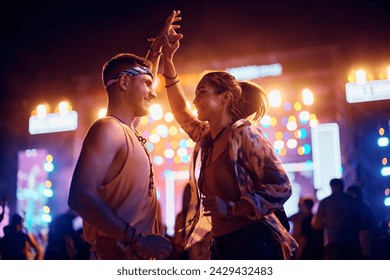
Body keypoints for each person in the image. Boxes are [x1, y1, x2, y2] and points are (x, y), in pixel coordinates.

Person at [158, 17, 297, 259]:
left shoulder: (245, 134)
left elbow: (281, 187)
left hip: (253, 243)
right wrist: (168, 61)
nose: (194, 101)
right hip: (221, 246)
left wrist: (232, 209)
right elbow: (181, 111)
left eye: (202, 93)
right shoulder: (207, 138)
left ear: (224, 98)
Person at [67, 11, 181, 260]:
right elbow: (79, 196)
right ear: (123, 83)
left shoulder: (126, 130)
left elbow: (141, 75)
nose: (153, 93)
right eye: (147, 84)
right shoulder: (108, 128)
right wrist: (137, 239)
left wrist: (157, 51)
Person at [312, 178, 363, 259]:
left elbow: (316, 225)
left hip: (333, 242)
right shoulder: (352, 200)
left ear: (331, 186)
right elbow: (361, 222)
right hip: (353, 241)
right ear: (343, 186)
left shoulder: (325, 202)